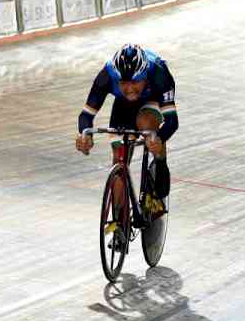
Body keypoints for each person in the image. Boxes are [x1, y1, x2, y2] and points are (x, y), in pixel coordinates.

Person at [75, 44, 179, 224]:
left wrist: (159, 139)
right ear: (116, 78)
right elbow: (86, 115)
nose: (130, 88)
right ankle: (119, 222)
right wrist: (85, 135)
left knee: (146, 124)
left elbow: (172, 121)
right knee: (119, 160)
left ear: (145, 76)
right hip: (123, 107)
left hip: (151, 102)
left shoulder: (159, 73)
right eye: (123, 83)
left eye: (135, 82)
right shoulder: (106, 76)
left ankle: (160, 161)